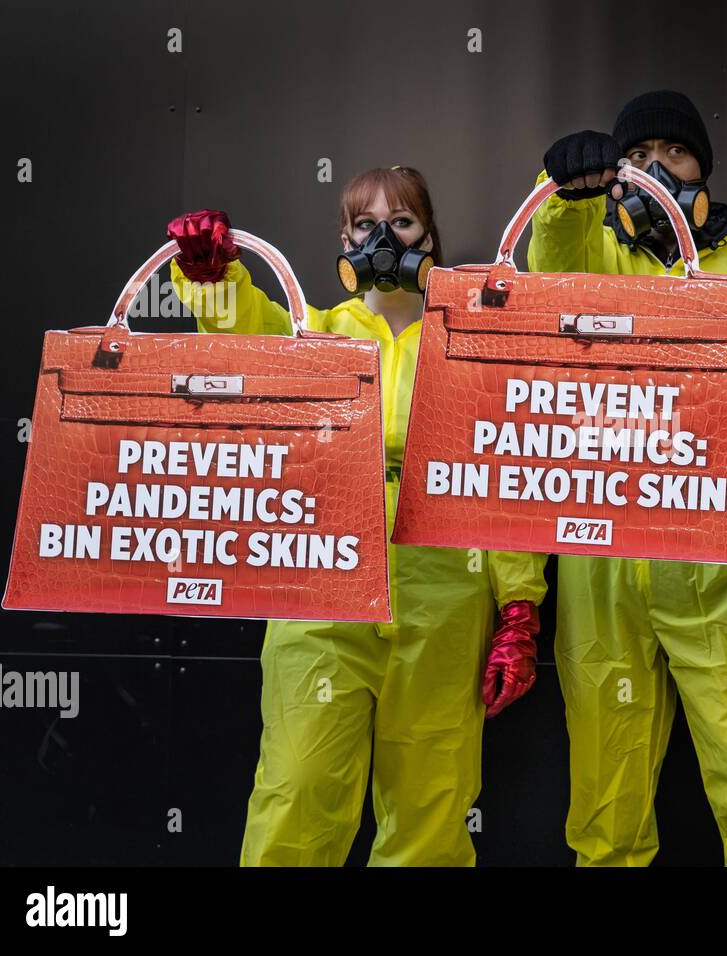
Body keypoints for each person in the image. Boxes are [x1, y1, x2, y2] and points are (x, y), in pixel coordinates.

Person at [165, 166, 548, 866]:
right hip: (322, 590)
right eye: (365, 225)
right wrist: (213, 275)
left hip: (445, 593)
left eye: (400, 222)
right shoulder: (316, 336)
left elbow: (501, 472)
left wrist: (519, 605)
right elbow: (249, 336)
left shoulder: (463, 339)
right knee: (299, 788)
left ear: (429, 235)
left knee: (431, 803)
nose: (384, 237)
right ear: (344, 239)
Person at [531, 90, 727, 866]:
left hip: (721, 569)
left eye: (677, 152)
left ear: (705, 168)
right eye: (638, 155)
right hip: (601, 566)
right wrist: (563, 193)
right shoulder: (588, 261)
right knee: (605, 797)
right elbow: (545, 271)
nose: (658, 167)